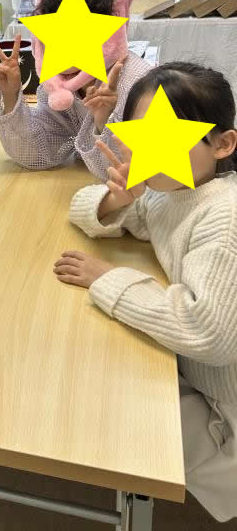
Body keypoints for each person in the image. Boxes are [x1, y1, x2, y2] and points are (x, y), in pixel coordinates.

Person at [54, 62, 237, 523]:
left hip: (226, 409)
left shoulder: (224, 216)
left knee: (100, 403)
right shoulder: (171, 190)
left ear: (223, 144)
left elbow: (208, 333)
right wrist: (118, 197)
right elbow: (84, 210)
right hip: (201, 375)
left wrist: (106, 278)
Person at [0, 0, 151, 181]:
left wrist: (102, 120)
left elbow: (137, 172)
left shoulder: (138, 84)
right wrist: (11, 95)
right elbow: (36, 152)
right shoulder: (60, 84)